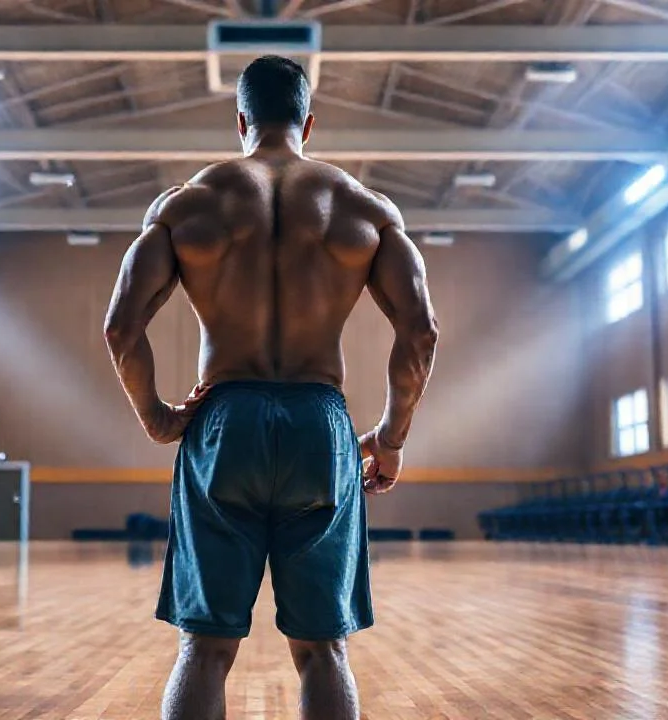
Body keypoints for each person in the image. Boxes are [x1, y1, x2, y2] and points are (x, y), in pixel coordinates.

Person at [104, 55, 439, 720]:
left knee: (204, 648)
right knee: (323, 650)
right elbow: (421, 333)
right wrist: (392, 441)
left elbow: (121, 327)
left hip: (224, 420)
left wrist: (157, 417)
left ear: (241, 121)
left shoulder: (187, 204)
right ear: (309, 123)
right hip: (320, 423)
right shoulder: (364, 208)